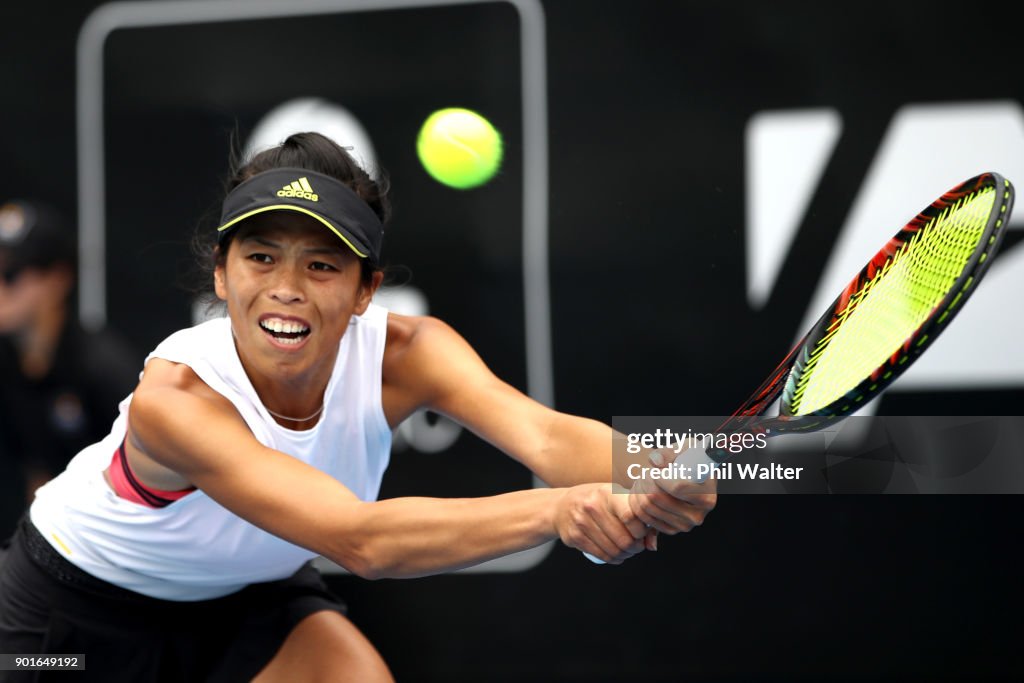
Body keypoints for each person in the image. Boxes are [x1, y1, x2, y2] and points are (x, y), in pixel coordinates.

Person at [0, 132, 716, 682]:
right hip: (67, 623)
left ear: (365, 289)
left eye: (322, 263)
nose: (287, 286)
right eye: (261, 257)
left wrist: (668, 468)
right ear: (221, 272)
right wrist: (561, 512)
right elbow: (361, 541)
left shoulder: (410, 354)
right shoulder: (177, 400)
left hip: (242, 603)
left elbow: (547, 436)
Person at [0, 200, 141, 538]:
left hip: (111, 543)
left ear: (57, 279)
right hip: (46, 543)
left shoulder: (104, 370)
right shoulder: (7, 363)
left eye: (10, 274)